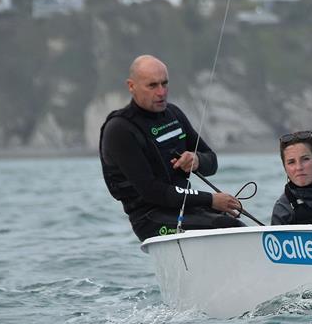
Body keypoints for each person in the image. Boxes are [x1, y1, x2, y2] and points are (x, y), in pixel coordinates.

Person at [99, 54, 246, 241]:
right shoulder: (120, 130)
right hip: (151, 219)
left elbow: (212, 162)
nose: (161, 92)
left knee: (237, 224)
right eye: (152, 85)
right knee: (227, 225)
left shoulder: (173, 114)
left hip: (187, 208)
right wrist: (211, 200)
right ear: (131, 86)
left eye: (164, 84)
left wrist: (197, 160)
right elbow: (151, 191)